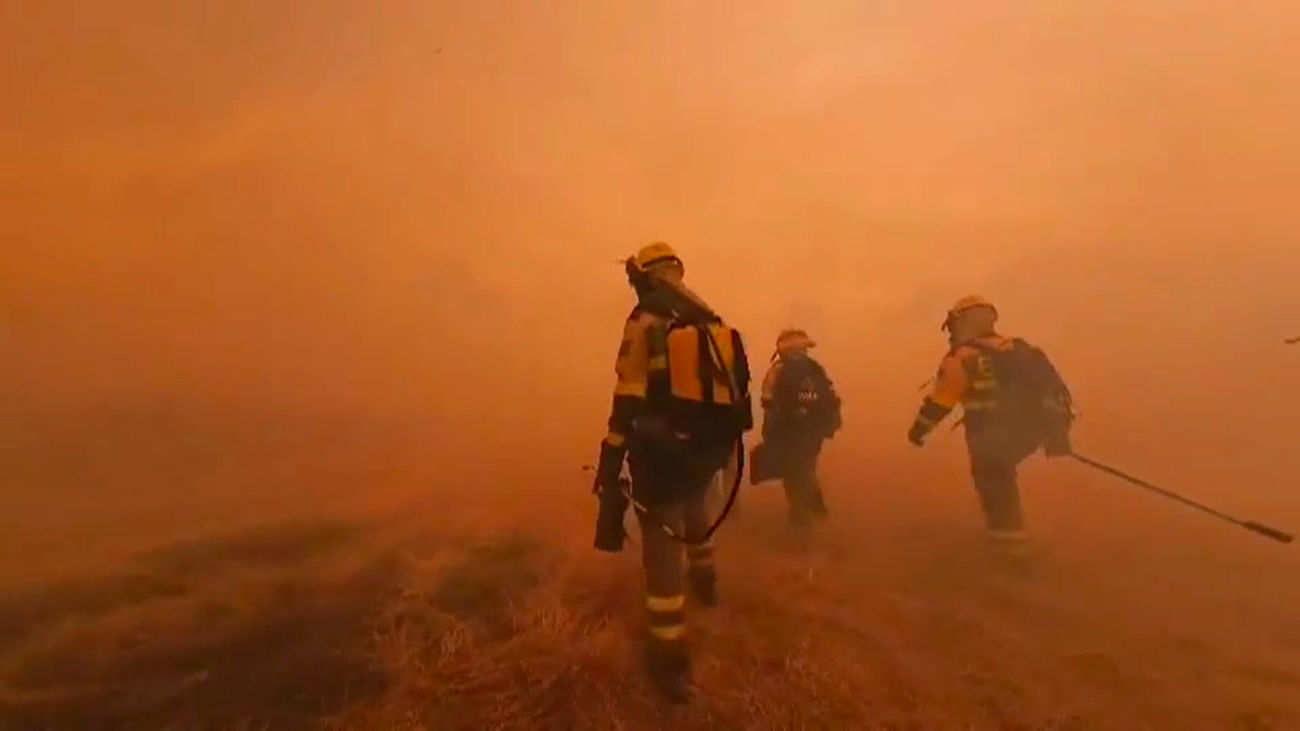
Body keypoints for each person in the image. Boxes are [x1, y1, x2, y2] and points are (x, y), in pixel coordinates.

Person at [590, 242, 753, 702]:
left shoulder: (645, 322)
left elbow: (629, 393)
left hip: (661, 453)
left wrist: (613, 453)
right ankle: (707, 583)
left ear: (641, 277)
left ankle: (669, 658)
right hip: (705, 447)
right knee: (696, 507)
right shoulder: (706, 317)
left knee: (661, 550)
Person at [907, 296, 1074, 551]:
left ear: (961, 323)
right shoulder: (1021, 349)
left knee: (994, 481)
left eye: (952, 326)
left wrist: (918, 431)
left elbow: (940, 403)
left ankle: (1008, 547)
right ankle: (1010, 536)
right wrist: (1055, 433)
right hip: (1030, 433)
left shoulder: (962, 358)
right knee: (1003, 475)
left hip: (989, 435)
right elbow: (1054, 391)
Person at [758, 328, 842, 526]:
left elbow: (767, 400)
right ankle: (813, 502)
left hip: (789, 431)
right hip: (814, 431)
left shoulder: (778, 369)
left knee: (793, 474)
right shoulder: (815, 368)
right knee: (806, 467)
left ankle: (801, 519)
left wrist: (769, 431)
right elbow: (830, 398)